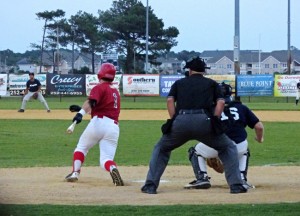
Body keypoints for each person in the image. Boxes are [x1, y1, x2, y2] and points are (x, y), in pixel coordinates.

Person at [141, 57, 247, 194]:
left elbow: (170, 100)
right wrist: (214, 119)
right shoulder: (212, 84)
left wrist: (174, 118)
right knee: (228, 147)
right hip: (205, 122)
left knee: (161, 148)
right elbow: (220, 103)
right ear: (204, 71)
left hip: (181, 121)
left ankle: (150, 186)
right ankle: (236, 185)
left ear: (190, 70)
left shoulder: (179, 83)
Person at [185, 83, 264, 189]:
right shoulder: (241, 107)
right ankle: (241, 178)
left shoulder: (210, 108)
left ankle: (202, 178)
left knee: (195, 151)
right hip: (238, 147)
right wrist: (259, 139)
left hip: (217, 146)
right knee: (244, 150)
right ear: (231, 94)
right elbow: (259, 127)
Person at [65, 63, 124, 186]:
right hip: (113, 127)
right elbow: (100, 108)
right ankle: (112, 168)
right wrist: (81, 110)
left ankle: (75, 172)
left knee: (81, 148)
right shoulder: (116, 92)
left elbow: (91, 102)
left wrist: (81, 113)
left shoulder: (99, 87)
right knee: (106, 159)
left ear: (100, 74)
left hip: (98, 123)